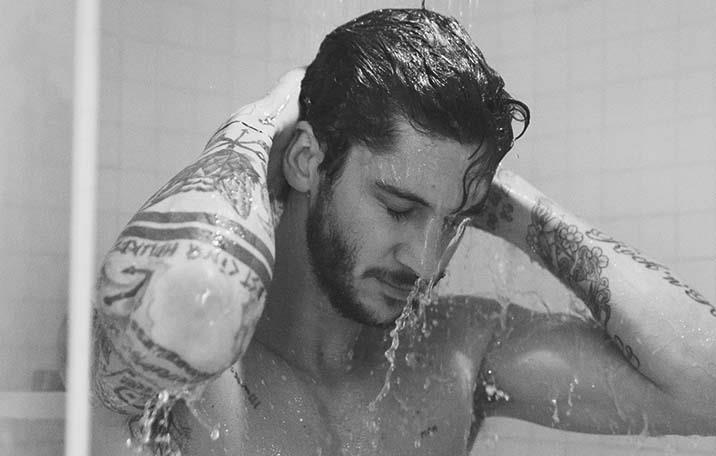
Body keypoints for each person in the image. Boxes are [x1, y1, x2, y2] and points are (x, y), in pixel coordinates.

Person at [87, 8, 716, 456]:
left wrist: (517, 211)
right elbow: (181, 291)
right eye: (398, 207)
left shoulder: (456, 354)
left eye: (453, 222)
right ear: (306, 161)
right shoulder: (192, 364)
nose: (424, 259)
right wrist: (255, 134)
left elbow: (704, 387)